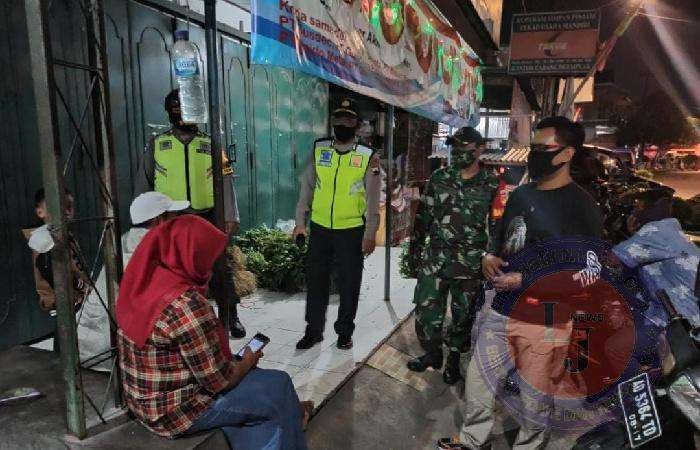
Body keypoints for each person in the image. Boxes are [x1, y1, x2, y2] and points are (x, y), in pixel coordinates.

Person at [440, 116, 604, 450]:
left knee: (535, 399)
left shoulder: (582, 207)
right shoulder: (521, 194)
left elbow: (590, 273)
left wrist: (527, 280)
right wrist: (489, 255)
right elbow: (501, 234)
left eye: (543, 148)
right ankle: (473, 440)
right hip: (502, 309)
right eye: (533, 148)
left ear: (566, 154)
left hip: (547, 319)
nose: (534, 155)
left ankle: (529, 446)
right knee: (479, 380)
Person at [116, 214, 310, 450]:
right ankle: (295, 416)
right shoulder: (186, 305)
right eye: (209, 257)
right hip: (175, 413)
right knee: (279, 385)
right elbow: (220, 381)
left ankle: (293, 415)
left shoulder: (144, 283)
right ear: (193, 256)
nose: (212, 265)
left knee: (270, 394)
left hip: (143, 402)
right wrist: (248, 361)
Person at [135, 89, 246, 339]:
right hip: (171, 220)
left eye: (186, 109)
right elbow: (144, 181)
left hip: (207, 217)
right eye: (176, 109)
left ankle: (231, 316)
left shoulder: (210, 144)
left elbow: (225, 180)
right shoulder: (157, 144)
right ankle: (182, 322)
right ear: (169, 112)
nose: (182, 114)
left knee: (220, 268)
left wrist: (230, 215)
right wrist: (147, 219)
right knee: (175, 273)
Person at [405, 127, 498, 385]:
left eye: (464, 149)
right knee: (426, 312)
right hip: (435, 259)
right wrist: (414, 253)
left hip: (470, 263)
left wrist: (491, 256)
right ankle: (433, 354)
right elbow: (423, 216)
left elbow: (498, 226)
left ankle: (454, 360)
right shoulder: (439, 178)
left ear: (479, 149)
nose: (457, 154)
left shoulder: (491, 184)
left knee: (463, 316)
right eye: (454, 148)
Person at [293, 98, 382, 350]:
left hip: (351, 232)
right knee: (316, 283)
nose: (343, 123)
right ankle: (313, 331)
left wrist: (370, 233)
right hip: (320, 228)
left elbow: (373, 199)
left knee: (349, 285)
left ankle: (344, 332)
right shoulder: (320, 149)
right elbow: (307, 187)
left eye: (349, 119)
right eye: (339, 118)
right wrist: (300, 222)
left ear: (357, 125)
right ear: (333, 122)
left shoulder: (368, 157)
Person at [23, 188, 89, 314]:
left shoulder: (61, 234)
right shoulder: (43, 238)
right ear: (40, 212)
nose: (67, 211)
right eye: (60, 206)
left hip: (76, 298)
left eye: (70, 206)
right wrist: (81, 287)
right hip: (66, 303)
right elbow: (51, 272)